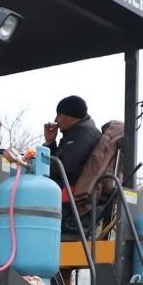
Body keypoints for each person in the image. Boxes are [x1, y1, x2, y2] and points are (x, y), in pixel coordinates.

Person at [43, 95, 100, 235]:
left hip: (67, 206)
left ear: (71, 116)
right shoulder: (78, 133)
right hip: (67, 200)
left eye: (59, 115)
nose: (56, 120)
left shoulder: (83, 136)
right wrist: (50, 143)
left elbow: (62, 168)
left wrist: (34, 164)